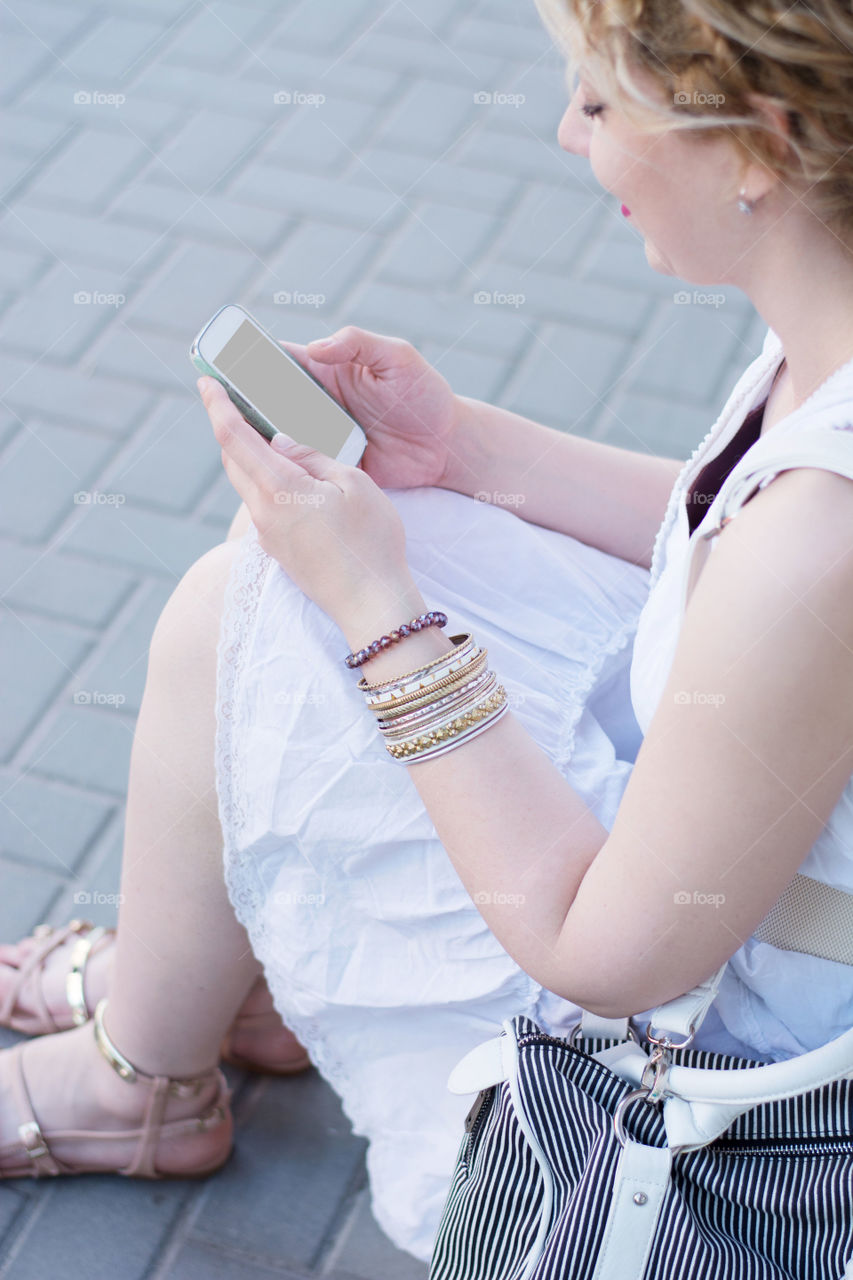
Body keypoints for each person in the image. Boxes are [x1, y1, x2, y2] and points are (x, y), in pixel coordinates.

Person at [2, 0, 853, 1263]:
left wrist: (379, 611)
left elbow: (593, 950)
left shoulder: (816, 545)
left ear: (758, 144)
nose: (567, 133)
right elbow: (713, 518)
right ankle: (198, 995)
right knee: (271, 586)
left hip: (719, 1040)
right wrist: (460, 447)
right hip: (739, 855)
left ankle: (149, 1063)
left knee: (259, 607)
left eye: (601, 102)